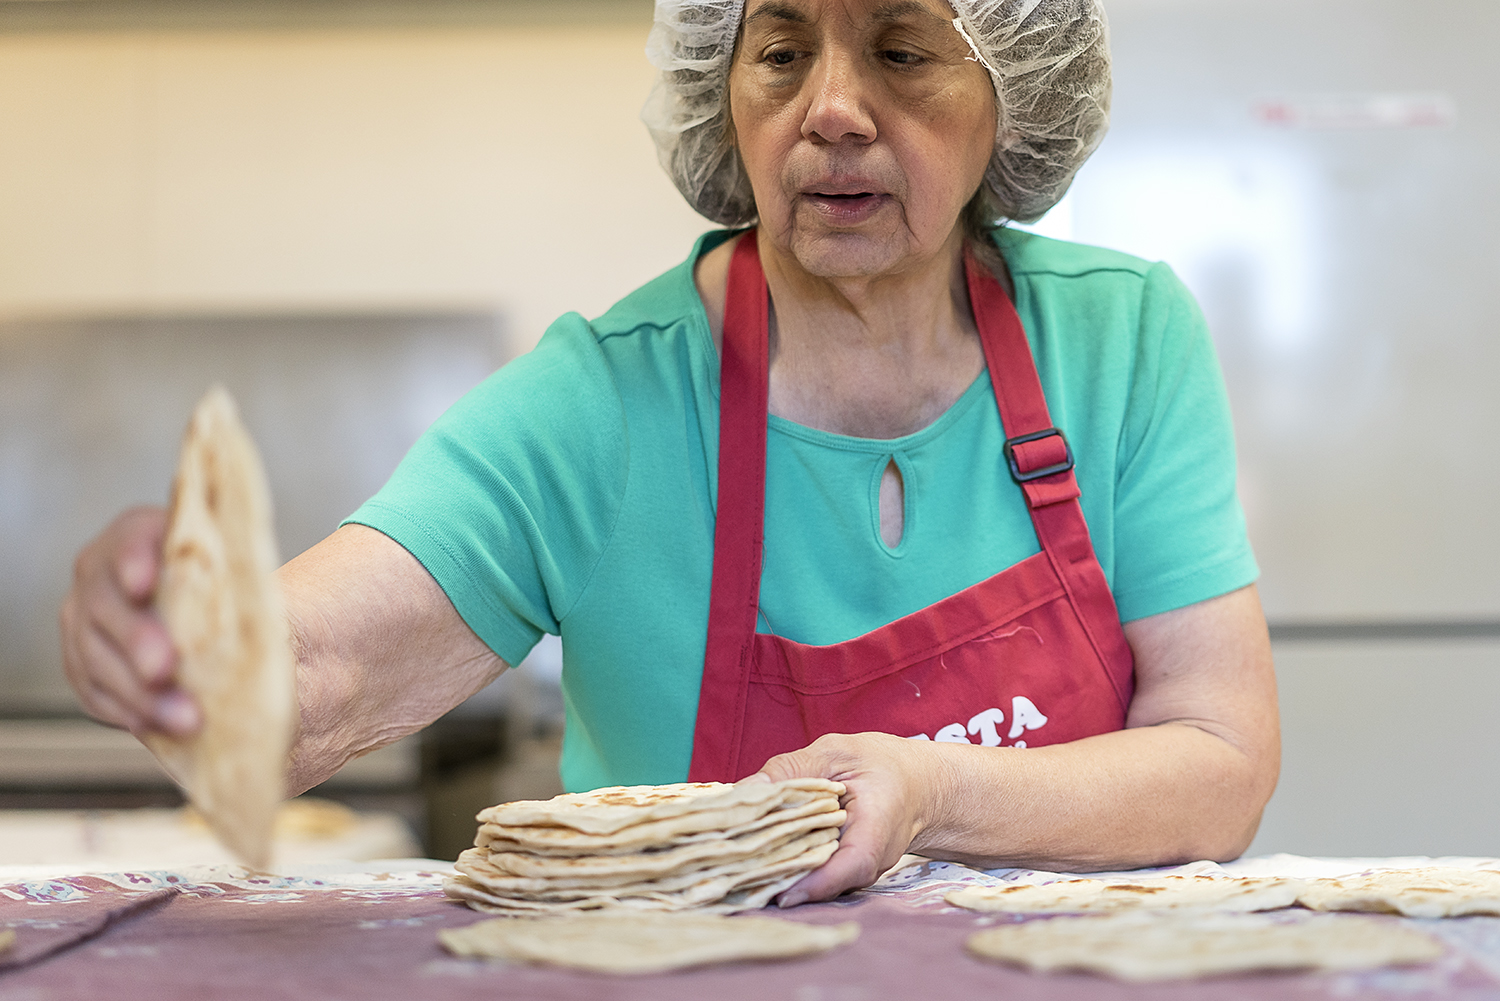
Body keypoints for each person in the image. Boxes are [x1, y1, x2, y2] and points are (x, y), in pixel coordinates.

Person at [60, 0, 1279, 906]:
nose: (833, 109)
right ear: (724, 88)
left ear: (1010, 89)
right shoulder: (607, 399)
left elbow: (1221, 758)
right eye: (784, 51)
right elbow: (307, 672)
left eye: (901, 50)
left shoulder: (1121, 338)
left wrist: (936, 791)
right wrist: (181, 642)